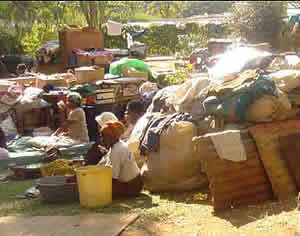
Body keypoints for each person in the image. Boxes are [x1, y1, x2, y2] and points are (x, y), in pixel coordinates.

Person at [98, 121, 143, 198]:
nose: (101, 140)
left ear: (110, 137)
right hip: (137, 183)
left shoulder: (116, 150)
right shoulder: (120, 144)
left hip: (131, 186)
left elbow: (113, 177)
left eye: (103, 137)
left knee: (99, 188)